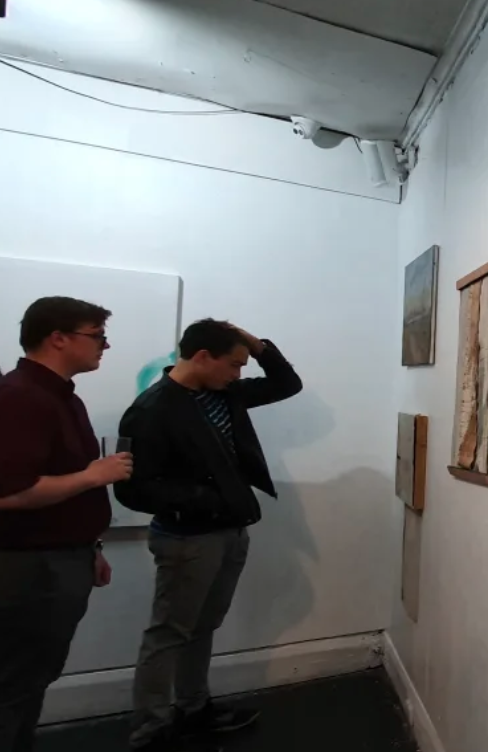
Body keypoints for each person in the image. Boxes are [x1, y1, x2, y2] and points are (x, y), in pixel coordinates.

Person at [115, 319, 302, 752]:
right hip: (188, 539)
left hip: (230, 531)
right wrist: (208, 498)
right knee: (169, 633)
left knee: (203, 626)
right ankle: (151, 731)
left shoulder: (225, 392)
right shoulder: (151, 409)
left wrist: (255, 344)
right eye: (234, 364)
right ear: (202, 357)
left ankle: (194, 708)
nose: (238, 374)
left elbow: (287, 384)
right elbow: (132, 489)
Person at [0, 297, 133, 752]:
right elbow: (9, 493)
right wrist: (93, 476)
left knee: (30, 678)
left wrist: (90, 547)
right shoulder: (20, 397)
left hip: (59, 560)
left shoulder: (62, 397)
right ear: (57, 338)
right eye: (97, 336)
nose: (104, 346)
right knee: (14, 682)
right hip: (26, 567)